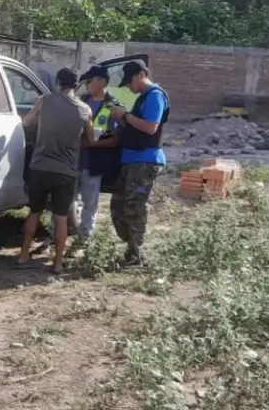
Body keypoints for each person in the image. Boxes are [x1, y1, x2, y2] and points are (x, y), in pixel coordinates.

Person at [17, 68, 94, 274]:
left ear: (58, 82)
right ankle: (58, 262)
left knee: (34, 212)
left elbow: (27, 123)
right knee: (61, 217)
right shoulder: (85, 109)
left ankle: (23, 255)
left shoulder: (44, 101)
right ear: (77, 85)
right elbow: (90, 138)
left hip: (40, 167)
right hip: (66, 171)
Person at [109, 60, 169, 268]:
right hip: (131, 159)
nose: (129, 87)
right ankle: (131, 249)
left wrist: (125, 115)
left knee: (134, 206)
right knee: (119, 205)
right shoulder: (142, 97)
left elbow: (151, 127)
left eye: (130, 81)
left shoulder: (155, 96)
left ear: (142, 74)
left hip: (144, 160)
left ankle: (136, 255)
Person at [75, 65, 123, 238]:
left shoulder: (113, 106)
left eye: (90, 81)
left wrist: (92, 144)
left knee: (90, 202)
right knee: (68, 201)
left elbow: (116, 140)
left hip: (94, 162)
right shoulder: (80, 101)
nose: (87, 84)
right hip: (73, 160)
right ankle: (64, 231)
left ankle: (85, 236)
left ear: (102, 82)